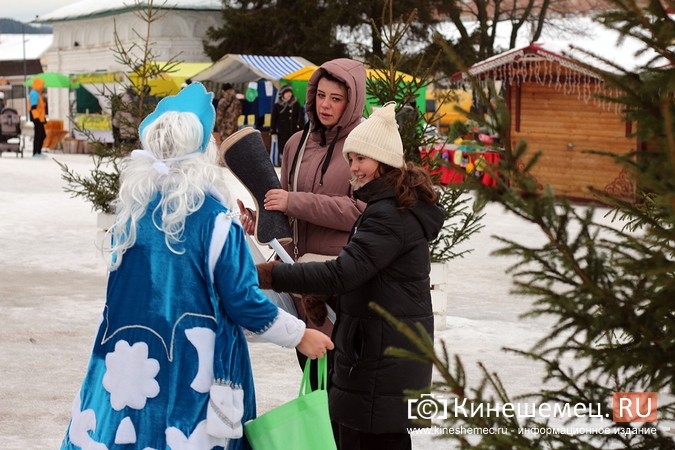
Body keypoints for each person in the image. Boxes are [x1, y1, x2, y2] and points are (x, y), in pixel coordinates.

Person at [59, 83, 333, 450]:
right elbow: (243, 302)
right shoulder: (217, 221)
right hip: (197, 376)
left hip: (126, 370)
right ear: (204, 151)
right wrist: (300, 334)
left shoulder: (131, 215)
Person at [256, 102, 445, 450]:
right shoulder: (387, 207)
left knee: (374, 440)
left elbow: (343, 272)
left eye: (362, 159)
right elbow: (369, 275)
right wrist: (327, 297)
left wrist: (270, 275)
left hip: (380, 357)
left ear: (384, 161)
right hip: (379, 351)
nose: (354, 168)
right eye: (351, 159)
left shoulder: (389, 214)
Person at [236, 58, 367, 381]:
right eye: (321, 95)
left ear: (352, 102)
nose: (325, 105)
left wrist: (295, 202)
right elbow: (284, 208)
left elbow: (360, 211)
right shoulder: (296, 143)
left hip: (342, 281)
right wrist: (262, 221)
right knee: (312, 378)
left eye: (336, 99)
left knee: (343, 383)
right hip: (300, 282)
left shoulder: (364, 147)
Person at [270, 85, 304, 162]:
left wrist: (301, 127)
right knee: (284, 147)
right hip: (282, 131)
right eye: (287, 92)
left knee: (295, 147)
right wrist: (273, 131)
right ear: (282, 94)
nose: (289, 94)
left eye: (290, 92)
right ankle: (284, 162)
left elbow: (300, 115)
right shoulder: (278, 105)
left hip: (294, 130)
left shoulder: (295, 103)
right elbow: (274, 119)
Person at [29, 77, 47, 158]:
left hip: (40, 117)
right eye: (42, 85)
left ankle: (38, 152)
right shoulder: (34, 94)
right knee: (38, 135)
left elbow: (40, 108)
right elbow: (33, 107)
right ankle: (35, 153)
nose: (43, 87)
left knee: (42, 135)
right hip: (37, 118)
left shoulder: (38, 93)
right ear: (38, 85)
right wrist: (37, 119)